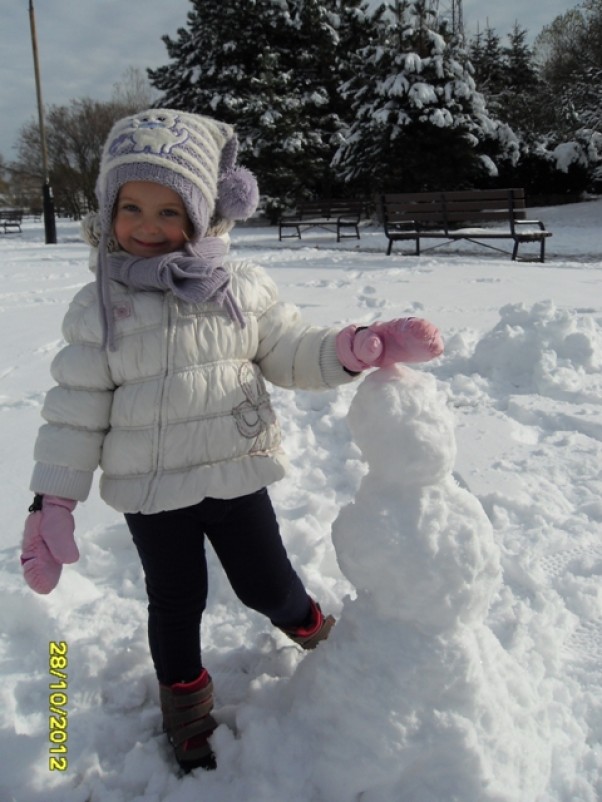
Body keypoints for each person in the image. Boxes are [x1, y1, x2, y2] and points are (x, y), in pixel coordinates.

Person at [20, 109, 443, 772]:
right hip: (154, 493)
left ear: (205, 214)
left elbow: (290, 350)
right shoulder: (99, 306)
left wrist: (356, 349)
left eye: (170, 211)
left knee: (266, 584)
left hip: (236, 476)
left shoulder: (239, 289)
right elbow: (73, 409)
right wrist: (53, 501)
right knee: (176, 598)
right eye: (131, 207)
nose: (148, 228)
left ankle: (307, 623)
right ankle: (184, 699)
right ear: (107, 210)